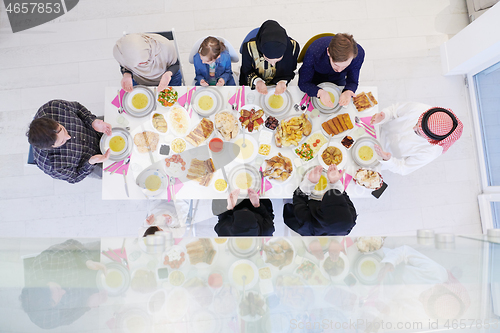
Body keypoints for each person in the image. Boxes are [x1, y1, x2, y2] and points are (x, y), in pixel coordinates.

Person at [19, 239, 108, 329]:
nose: (63, 292)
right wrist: (87, 304)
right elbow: (68, 318)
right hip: (93, 291)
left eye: (57, 289)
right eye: (57, 301)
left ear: (43, 283)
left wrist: (88, 261)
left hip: (89, 258)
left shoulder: (48, 259)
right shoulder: (45, 319)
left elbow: (73, 244)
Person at [26, 100, 112, 183]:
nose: (68, 137)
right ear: (51, 147)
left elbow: (78, 108)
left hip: (95, 128)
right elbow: (75, 177)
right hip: (95, 162)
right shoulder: (52, 166)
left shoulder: (52, 108)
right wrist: (91, 162)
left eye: (63, 129)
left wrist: (92, 121)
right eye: (62, 141)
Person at [370, 103, 464, 175]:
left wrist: (388, 160)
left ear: (430, 140)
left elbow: (403, 168)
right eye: (416, 124)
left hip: (379, 158)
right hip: (375, 130)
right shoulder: (421, 109)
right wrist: (384, 116)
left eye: (418, 132)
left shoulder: (431, 151)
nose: (413, 128)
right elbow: (394, 110)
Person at [283, 165, 357, 236]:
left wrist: (309, 182)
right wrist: (335, 182)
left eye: (324, 197)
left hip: (304, 224)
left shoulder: (307, 221)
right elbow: (344, 195)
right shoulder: (351, 216)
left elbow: (298, 197)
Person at [298, 33, 365, 107]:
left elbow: (353, 81)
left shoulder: (359, 54)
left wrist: (348, 90)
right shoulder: (314, 51)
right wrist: (319, 92)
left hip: (339, 78)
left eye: (345, 66)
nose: (339, 70)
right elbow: (303, 83)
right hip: (315, 76)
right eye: (336, 65)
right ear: (328, 52)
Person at [240, 20, 300, 95]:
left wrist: (282, 81)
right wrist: (257, 81)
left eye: (278, 60)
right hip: (256, 85)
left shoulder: (293, 48)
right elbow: (246, 70)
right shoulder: (249, 48)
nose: (272, 64)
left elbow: (291, 69)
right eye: (268, 59)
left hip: (278, 85)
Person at [113, 33, 182, 92]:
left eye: (144, 61)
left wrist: (168, 74)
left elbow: (176, 64)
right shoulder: (121, 55)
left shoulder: (165, 46)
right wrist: (127, 75)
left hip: (167, 76)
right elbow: (124, 66)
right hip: (140, 78)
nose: (141, 65)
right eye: (135, 65)